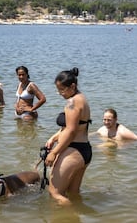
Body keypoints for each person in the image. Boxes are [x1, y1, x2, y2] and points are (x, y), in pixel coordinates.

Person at [45, 67, 92, 205]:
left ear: (72, 86)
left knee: (55, 193)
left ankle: (70, 216)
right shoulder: (81, 98)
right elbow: (75, 126)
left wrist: (54, 152)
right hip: (84, 150)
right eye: (58, 90)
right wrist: (54, 137)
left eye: (62, 90)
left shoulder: (72, 102)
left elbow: (71, 131)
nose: (59, 93)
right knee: (73, 193)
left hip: (74, 150)